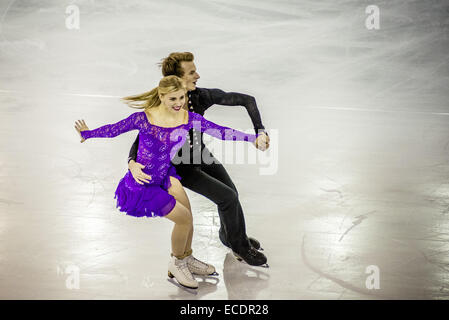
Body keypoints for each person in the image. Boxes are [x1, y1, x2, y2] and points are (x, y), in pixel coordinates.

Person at [74, 76, 262, 289]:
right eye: (173, 98)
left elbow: (220, 131)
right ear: (161, 96)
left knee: (188, 216)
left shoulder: (188, 118)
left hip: (165, 177)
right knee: (183, 220)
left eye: (181, 97)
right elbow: (114, 129)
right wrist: (88, 134)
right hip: (143, 185)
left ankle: (187, 257)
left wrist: (251, 139)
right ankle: (176, 263)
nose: (178, 103)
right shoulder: (144, 118)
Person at [127, 52, 270, 266]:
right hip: (180, 168)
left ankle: (230, 236)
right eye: (192, 72)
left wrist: (260, 131)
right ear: (178, 79)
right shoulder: (163, 108)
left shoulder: (200, 96)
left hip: (200, 155)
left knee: (232, 193)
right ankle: (240, 247)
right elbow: (139, 142)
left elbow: (247, 100)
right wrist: (132, 163)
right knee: (227, 197)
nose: (198, 75)